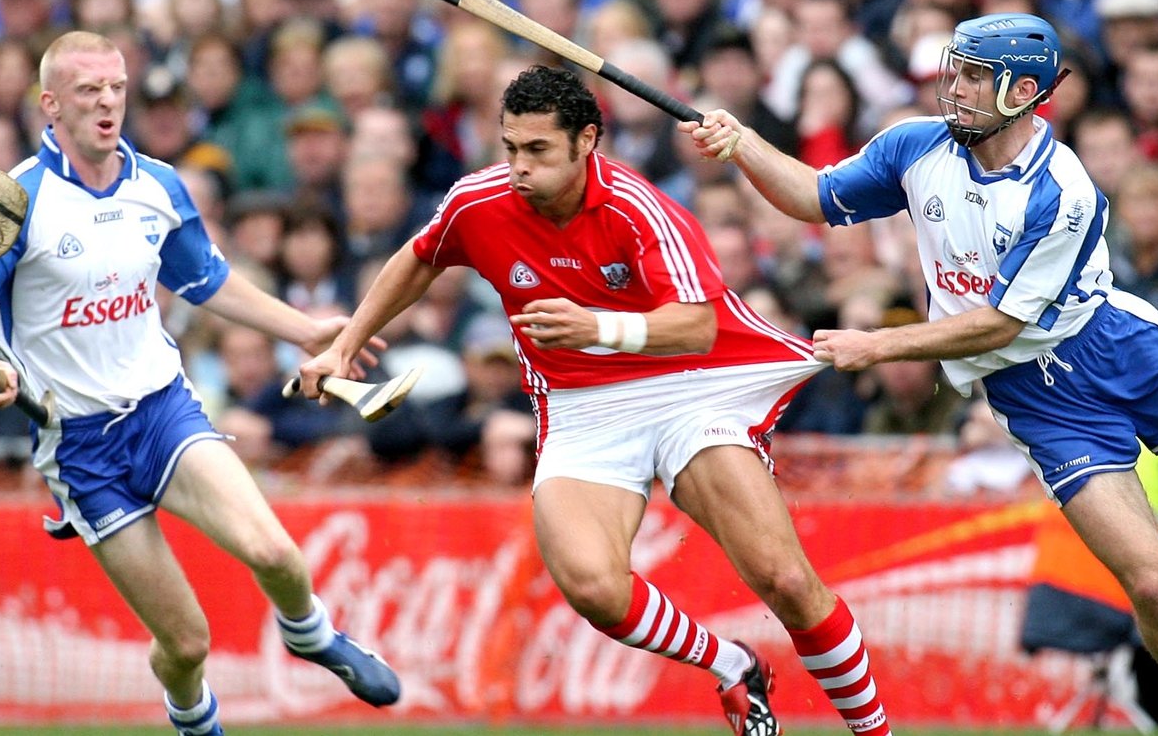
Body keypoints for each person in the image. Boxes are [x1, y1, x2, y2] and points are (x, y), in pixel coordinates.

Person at [686, 12, 1158, 736]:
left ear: (1023, 90)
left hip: (1117, 347)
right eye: (957, 70)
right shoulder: (915, 147)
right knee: (1152, 584)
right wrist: (742, 144)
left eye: (974, 76)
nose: (956, 88)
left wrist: (880, 345)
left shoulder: (1061, 188)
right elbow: (815, 196)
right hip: (1039, 402)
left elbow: (1000, 323)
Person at [299, 65, 892, 736]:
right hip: (582, 406)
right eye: (510, 148)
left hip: (688, 388)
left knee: (784, 579)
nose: (519, 168)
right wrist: (346, 343)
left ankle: (875, 732)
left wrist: (599, 327)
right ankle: (732, 664)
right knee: (594, 588)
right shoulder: (479, 201)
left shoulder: (638, 205)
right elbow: (420, 254)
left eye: (538, 150)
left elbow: (694, 324)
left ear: (587, 141)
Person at [0, 31, 402, 736]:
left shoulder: (158, 184)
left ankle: (310, 632)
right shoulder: (9, 199)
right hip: (81, 449)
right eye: (88, 91)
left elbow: (207, 280)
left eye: (116, 88)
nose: (108, 103)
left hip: (164, 411)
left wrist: (305, 330)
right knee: (187, 642)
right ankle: (192, 714)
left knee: (277, 552)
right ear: (49, 104)